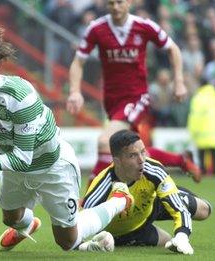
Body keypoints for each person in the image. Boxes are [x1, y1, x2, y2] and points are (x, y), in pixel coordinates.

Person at [0, 24, 134, 252]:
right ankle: (30, 225)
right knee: (10, 218)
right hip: (16, 168)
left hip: (51, 166)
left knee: (67, 242)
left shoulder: (19, 95)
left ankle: (119, 200)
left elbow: (22, 159)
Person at [66, 0, 201, 186]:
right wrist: (74, 91)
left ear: (129, 2)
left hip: (137, 97)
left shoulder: (144, 26)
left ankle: (90, 198)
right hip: (112, 101)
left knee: (105, 142)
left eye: (119, 2)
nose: (115, 7)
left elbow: (173, 49)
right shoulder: (97, 29)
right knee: (129, 151)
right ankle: (181, 160)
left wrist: (178, 82)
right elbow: (78, 61)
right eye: (111, 3)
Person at [81, 130, 212, 255]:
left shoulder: (153, 169)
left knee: (204, 210)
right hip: (126, 233)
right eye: (133, 155)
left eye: (143, 152)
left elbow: (179, 209)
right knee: (166, 240)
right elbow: (77, 229)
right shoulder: (100, 188)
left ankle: (173, 193)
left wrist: (182, 236)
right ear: (117, 161)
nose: (141, 160)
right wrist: (86, 246)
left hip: (154, 204)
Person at [187, 81, 215, 176]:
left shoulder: (198, 98)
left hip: (202, 132)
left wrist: (192, 131)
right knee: (214, 154)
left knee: (202, 154)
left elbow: (194, 117)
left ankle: (203, 173)